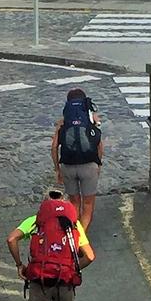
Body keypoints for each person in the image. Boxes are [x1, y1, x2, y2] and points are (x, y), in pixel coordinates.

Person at [51, 88, 103, 232]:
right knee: (88, 204)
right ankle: (81, 237)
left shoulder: (63, 123)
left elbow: (54, 146)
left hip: (67, 166)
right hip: (89, 166)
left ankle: (73, 234)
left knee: (74, 203)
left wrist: (57, 169)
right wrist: (98, 163)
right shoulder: (90, 120)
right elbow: (99, 145)